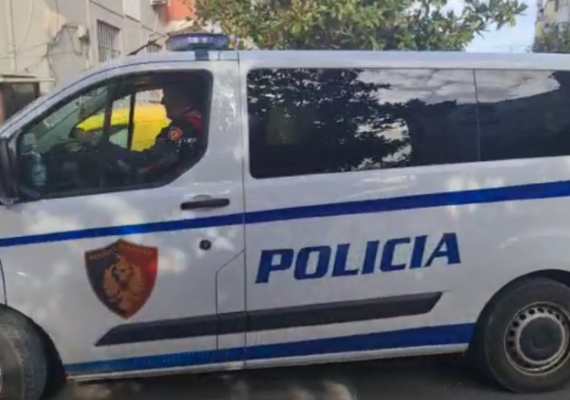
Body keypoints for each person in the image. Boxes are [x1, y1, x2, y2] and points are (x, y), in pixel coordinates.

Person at [98, 73, 207, 180]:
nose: (162, 102)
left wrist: (109, 149)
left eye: (166, 95)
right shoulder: (195, 123)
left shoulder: (183, 128)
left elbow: (148, 162)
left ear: (181, 98)